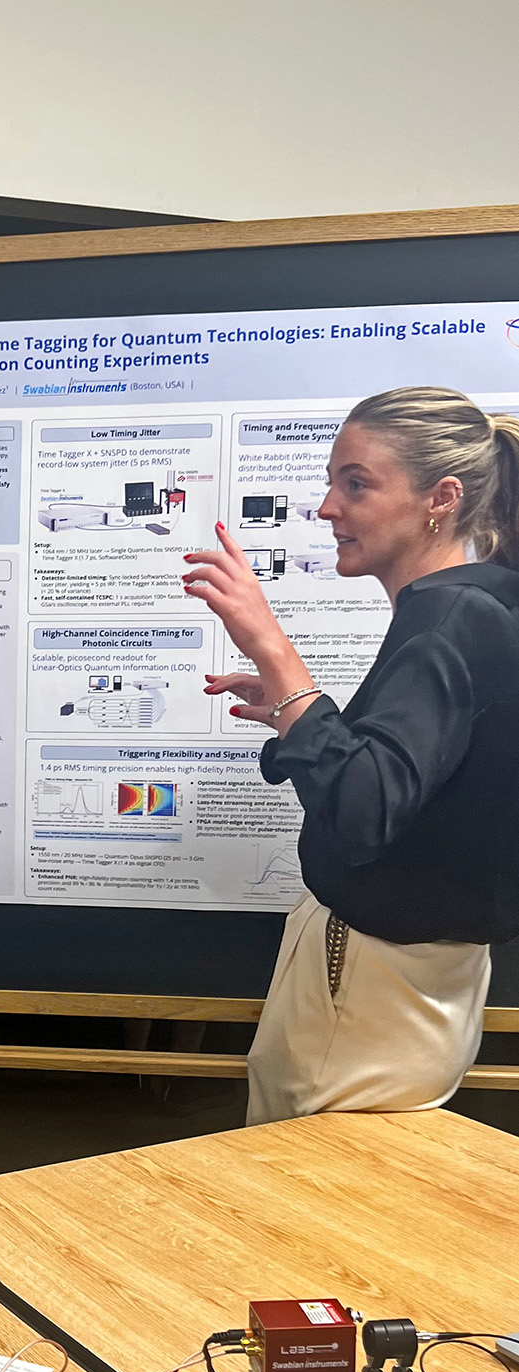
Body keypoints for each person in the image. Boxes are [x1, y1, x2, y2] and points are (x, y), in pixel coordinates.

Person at [188, 385, 519, 1127]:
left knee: (301, 1195)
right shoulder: (486, 604)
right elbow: (417, 778)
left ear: (440, 497)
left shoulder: (450, 619)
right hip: (414, 980)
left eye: (355, 483)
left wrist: (274, 653)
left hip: (371, 979)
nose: (326, 507)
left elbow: (364, 810)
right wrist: (289, 709)